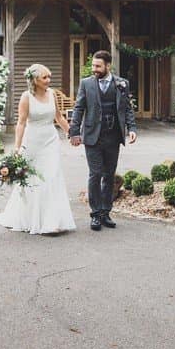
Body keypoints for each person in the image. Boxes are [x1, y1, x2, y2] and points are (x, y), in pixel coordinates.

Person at [0, 64, 76, 235]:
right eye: (45, 77)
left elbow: (58, 117)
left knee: (52, 177)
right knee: (33, 180)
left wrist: (71, 134)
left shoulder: (52, 94)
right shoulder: (26, 97)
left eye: (49, 77)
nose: (48, 80)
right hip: (33, 142)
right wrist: (17, 147)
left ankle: (52, 221)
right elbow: (21, 123)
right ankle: (31, 218)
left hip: (51, 140)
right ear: (35, 80)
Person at [69, 50, 138, 231]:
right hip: (93, 136)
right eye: (93, 65)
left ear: (108, 66)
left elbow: (127, 109)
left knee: (109, 175)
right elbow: (78, 108)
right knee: (95, 174)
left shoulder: (122, 83)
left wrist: (132, 129)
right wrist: (74, 132)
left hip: (113, 137)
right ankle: (95, 214)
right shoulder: (86, 84)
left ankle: (106, 212)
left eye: (98, 66)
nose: (94, 69)